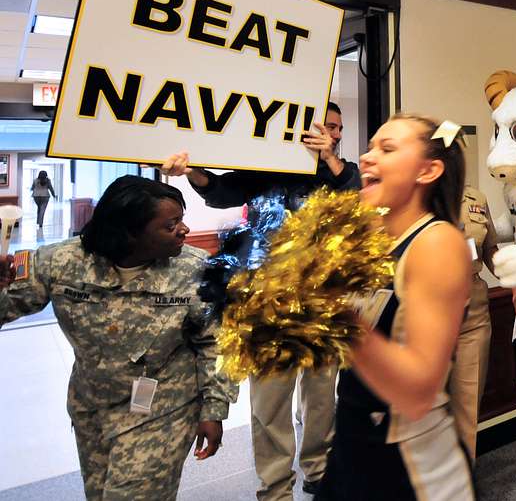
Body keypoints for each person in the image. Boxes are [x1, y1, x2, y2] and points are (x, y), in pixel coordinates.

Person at [160, 101, 357, 499]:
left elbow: (354, 194)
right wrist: (191, 172)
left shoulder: (340, 172)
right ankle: (275, 486)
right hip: (266, 304)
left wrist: (329, 158)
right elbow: (220, 192)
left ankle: (318, 470)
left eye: (336, 128)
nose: (333, 133)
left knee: (320, 397)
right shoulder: (266, 167)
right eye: (326, 126)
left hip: (323, 302)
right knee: (270, 404)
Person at [0, 175, 237, 500]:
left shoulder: (195, 270)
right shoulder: (59, 262)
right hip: (92, 409)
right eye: (170, 225)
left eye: (181, 220)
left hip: (163, 410)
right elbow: (6, 307)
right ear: (129, 234)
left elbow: (217, 341)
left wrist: (214, 408)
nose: (183, 230)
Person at [315, 114, 473, 500]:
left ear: (428, 170)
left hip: (409, 461)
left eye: (387, 149)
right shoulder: (373, 239)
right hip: (354, 436)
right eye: (370, 147)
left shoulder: (437, 243)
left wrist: (329, 306)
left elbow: (417, 394)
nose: (367, 158)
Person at [450, 184, 498, 461]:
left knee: (468, 403)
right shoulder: (410, 192)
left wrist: (514, 279)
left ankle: (462, 475)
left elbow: (489, 247)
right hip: (426, 305)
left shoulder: (475, 197)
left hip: (473, 306)